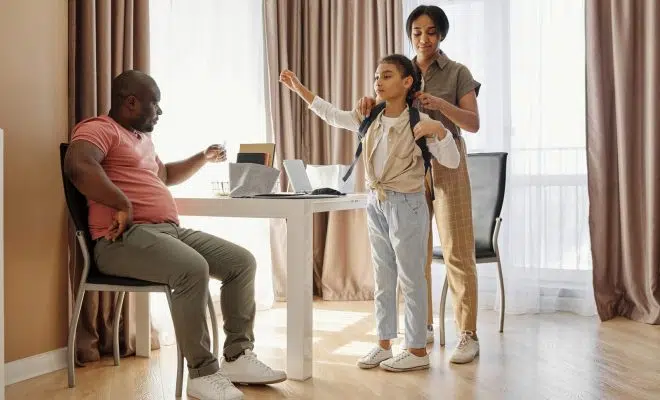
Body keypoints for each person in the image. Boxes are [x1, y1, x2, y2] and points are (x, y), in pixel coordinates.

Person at [64, 70, 286, 400]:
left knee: (241, 262)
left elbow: (164, 175)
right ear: (131, 102)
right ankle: (202, 373)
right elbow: (78, 165)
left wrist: (203, 157)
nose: (160, 112)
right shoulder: (99, 129)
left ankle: (238, 357)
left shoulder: (141, 140)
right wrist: (120, 201)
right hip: (120, 241)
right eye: (155, 104)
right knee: (191, 268)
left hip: (167, 233)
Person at [279, 54, 460, 372]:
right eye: (377, 75)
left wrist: (440, 130)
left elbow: (453, 161)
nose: (378, 81)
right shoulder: (369, 117)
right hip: (376, 202)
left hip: (408, 203)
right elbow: (331, 115)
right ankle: (384, 343)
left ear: (406, 83)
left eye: (387, 75)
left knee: (412, 278)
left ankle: (417, 350)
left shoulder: (420, 122)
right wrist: (299, 89)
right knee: (383, 276)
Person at [357, 5, 482, 364]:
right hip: (407, 169)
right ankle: (421, 328)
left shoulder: (458, 72)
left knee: (457, 250)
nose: (423, 39)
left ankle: (466, 334)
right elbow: (382, 111)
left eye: (430, 32)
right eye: (416, 32)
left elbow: (472, 123)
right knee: (415, 254)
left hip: (447, 163)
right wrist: (368, 101)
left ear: (441, 34)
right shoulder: (402, 70)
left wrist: (441, 105)